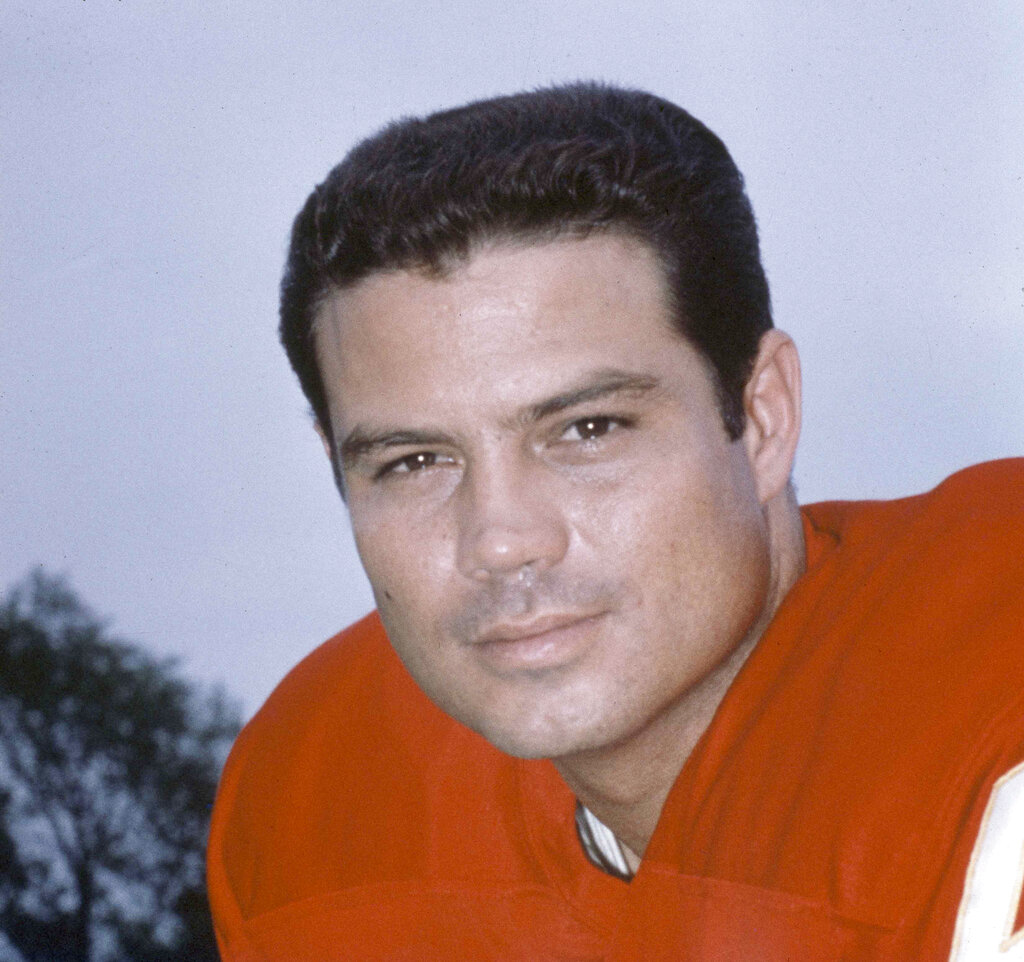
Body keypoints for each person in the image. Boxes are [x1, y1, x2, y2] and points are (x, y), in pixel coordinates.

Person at [206, 83, 1024, 960]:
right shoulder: (322, 801)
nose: (501, 539)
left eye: (587, 430)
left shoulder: (987, 690)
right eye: (415, 462)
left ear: (763, 416)